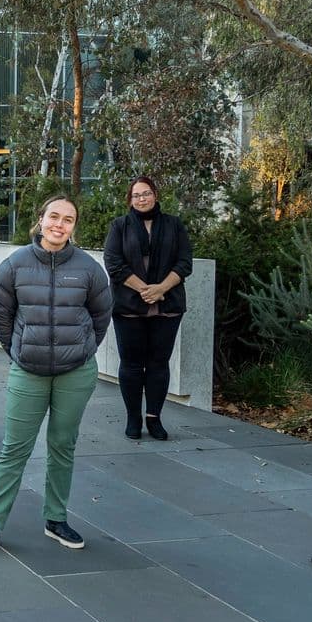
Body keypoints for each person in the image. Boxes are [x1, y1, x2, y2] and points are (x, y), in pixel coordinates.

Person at [0, 193, 111, 551]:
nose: (59, 224)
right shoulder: (16, 264)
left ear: (74, 227)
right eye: (54, 216)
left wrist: (82, 349)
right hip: (28, 371)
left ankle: (56, 518)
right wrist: (18, 350)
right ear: (41, 219)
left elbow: (101, 317)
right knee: (14, 448)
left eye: (68, 219)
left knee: (62, 445)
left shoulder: (88, 268)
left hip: (75, 372)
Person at [102, 175, 194, 441]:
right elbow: (114, 263)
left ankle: (154, 417)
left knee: (158, 363)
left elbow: (185, 262)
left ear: (155, 195)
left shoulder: (174, 225)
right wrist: (145, 289)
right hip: (129, 305)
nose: (142, 199)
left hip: (168, 304)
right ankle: (133, 418)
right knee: (131, 364)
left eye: (146, 193)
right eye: (136, 195)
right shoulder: (119, 226)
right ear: (130, 199)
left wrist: (161, 289)